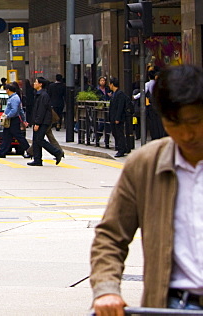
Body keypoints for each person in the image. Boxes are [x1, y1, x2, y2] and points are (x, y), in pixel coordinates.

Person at [90, 64, 203, 314]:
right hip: (171, 304)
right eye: (174, 122)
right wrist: (107, 289)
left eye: (194, 122)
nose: (186, 134)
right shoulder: (145, 164)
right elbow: (110, 235)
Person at [29, 76, 65, 166]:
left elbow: (41, 110)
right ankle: (37, 160)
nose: (34, 83)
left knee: (39, 139)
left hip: (43, 122)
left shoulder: (43, 95)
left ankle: (57, 152)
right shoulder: (38, 94)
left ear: (40, 84)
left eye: (36, 82)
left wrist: (37, 123)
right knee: (36, 140)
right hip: (40, 121)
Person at [0, 82, 31, 158]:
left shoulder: (14, 98)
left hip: (13, 120)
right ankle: (2, 152)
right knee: (6, 137)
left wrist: (7, 116)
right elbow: (20, 110)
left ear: (8, 90)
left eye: (6, 89)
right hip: (11, 120)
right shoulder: (13, 97)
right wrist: (24, 119)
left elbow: (14, 110)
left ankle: (29, 150)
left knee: (18, 136)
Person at [109, 77, 132, 158]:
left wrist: (117, 118)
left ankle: (121, 150)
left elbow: (120, 107)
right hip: (113, 117)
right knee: (115, 133)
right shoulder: (114, 94)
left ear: (112, 84)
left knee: (119, 134)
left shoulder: (120, 94)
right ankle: (123, 147)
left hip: (118, 118)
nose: (109, 86)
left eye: (110, 84)